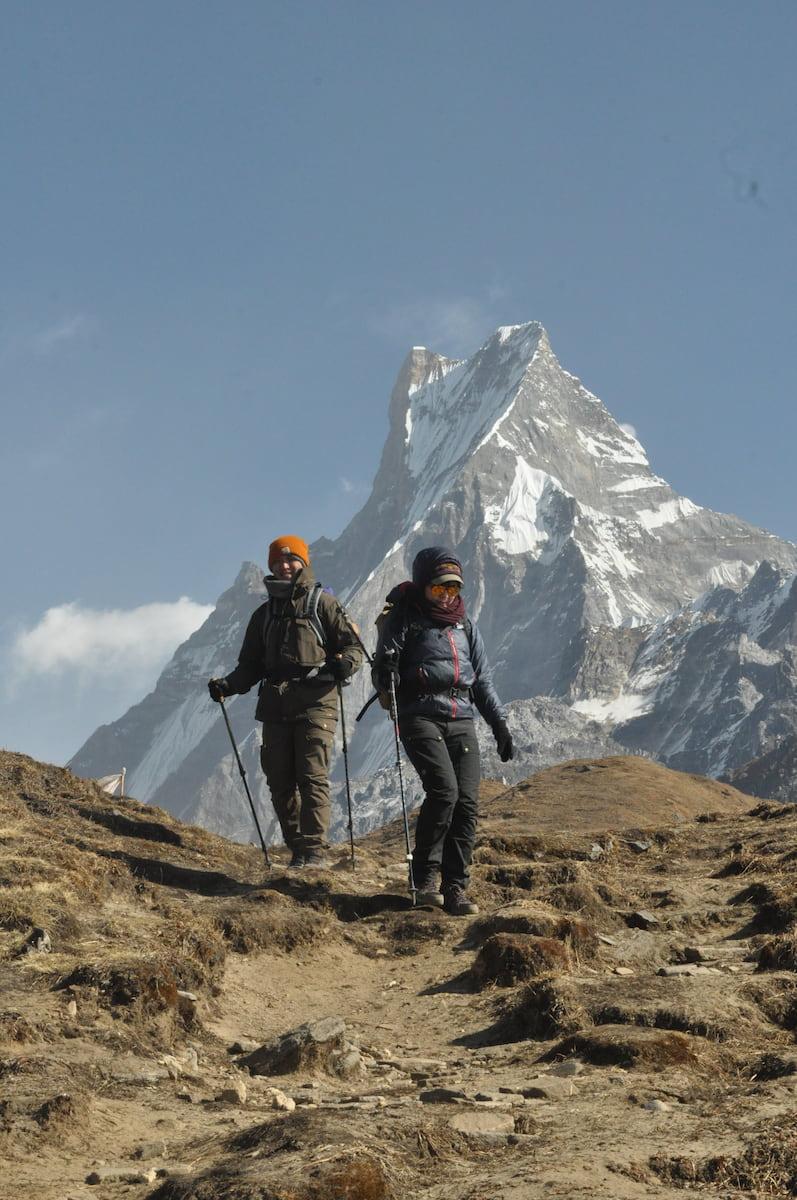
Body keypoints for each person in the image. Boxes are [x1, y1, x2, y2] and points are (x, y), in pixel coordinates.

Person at [372, 546, 513, 915]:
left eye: (453, 588)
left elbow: (482, 680)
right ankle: (425, 881)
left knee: (467, 803)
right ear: (423, 585)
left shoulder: (466, 626)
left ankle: (456, 888)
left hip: (461, 718)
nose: (447, 595)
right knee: (444, 791)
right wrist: (387, 673)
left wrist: (499, 725)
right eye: (439, 588)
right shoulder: (403, 618)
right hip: (419, 715)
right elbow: (381, 670)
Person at [208, 535, 363, 868]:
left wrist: (343, 665)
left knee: (312, 776)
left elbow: (353, 648)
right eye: (278, 562)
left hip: (316, 703)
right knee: (279, 781)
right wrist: (227, 685)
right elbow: (250, 666)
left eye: (291, 560)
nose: (284, 566)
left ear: (303, 563)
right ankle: (298, 849)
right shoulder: (263, 616)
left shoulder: (323, 604)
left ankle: (314, 850)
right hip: (276, 706)